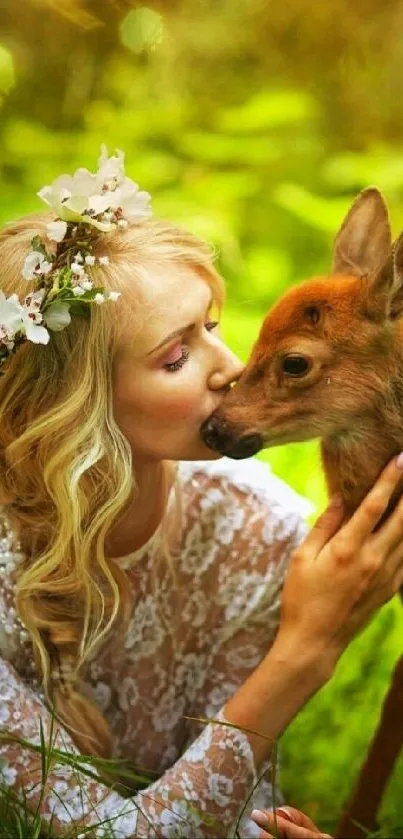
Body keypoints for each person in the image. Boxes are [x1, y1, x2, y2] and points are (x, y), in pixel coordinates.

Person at [0, 148, 403, 839]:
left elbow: (233, 810)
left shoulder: (257, 532)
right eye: (177, 355)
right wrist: (304, 650)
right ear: (77, 405)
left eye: (212, 327)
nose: (232, 370)